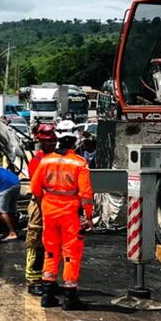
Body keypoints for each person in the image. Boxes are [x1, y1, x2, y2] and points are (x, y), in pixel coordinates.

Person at [30, 119, 93, 310]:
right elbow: (86, 194)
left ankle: (47, 296)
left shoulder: (45, 160)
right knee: (71, 254)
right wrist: (88, 217)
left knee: (50, 251)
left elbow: (35, 188)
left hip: (49, 212)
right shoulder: (79, 163)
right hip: (70, 215)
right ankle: (70, 298)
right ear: (74, 142)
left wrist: (45, 205)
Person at [25, 123, 57, 295]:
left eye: (53, 141)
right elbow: (37, 189)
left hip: (53, 206)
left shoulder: (54, 159)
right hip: (40, 205)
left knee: (50, 244)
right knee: (36, 241)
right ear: (41, 142)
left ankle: (47, 279)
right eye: (49, 142)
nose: (52, 144)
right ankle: (33, 281)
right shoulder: (37, 161)